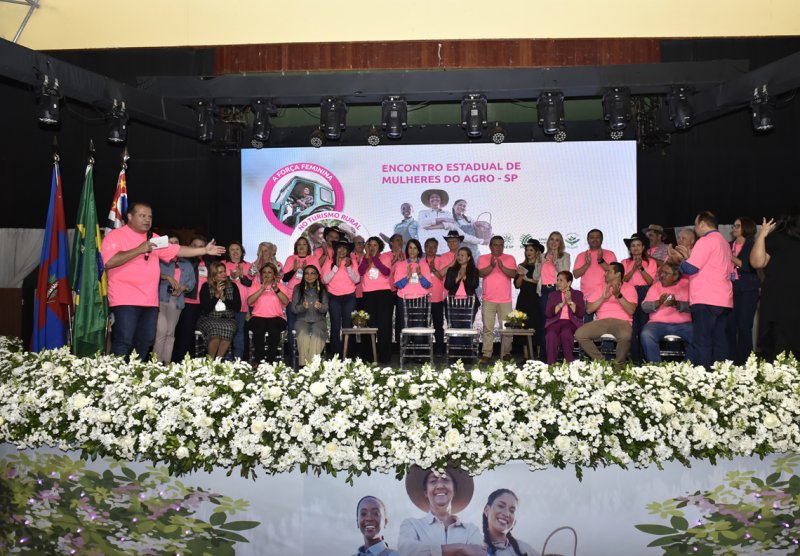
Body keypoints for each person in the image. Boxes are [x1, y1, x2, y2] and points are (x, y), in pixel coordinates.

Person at [101, 201, 225, 359]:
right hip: (125, 301)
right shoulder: (115, 236)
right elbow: (109, 261)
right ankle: (116, 379)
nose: (147, 219)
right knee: (124, 341)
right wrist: (139, 249)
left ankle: (136, 377)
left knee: (145, 341)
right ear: (130, 217)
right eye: (142, 215)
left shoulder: (154, 238)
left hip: (150, 302)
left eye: (150, 217)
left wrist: (204, 250)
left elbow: (178, 250)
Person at [669, 211, 733, 368]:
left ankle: (703, 379)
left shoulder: (705, 241)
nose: (695, 228)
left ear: (703, 224)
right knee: (719, 341)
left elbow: (690, 268)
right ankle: (721, 377)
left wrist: (680, 260)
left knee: (702, 341)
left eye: (696, 224)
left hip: (706, 299)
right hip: (723, 299)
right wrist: (687, 257)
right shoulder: (724, 242)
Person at [398, 465, 483, 556]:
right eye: (433, 481)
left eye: (445, 479)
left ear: (454, 490)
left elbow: (479, 553)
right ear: (426, 492)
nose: (439, 486)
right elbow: (407, 551)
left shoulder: (471, 530)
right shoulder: (412, 525)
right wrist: (460, 547)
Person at [750, 215, 800, 360]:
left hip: (787, 302)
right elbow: (757, 262)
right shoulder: (778, 238)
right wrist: (762, 236)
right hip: (779, 303)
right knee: (779, 347)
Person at [574, 262, 637, 364]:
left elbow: (631, 310)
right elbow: (589, 310)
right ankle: (601, 362)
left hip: (622, 322)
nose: (605, 274)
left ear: (618, 274)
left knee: (626, 336)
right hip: (601, 322)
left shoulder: (629, 288)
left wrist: (618, 295)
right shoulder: (599, 287)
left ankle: (619, 365)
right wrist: (603, 298)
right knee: (580, 334)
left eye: (608, 271)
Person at [153, 232, 196, 364]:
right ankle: (156, 363)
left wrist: (183, 287)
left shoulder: (187, 264)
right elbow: (152, 274)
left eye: (175, 243)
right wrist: (167, 277)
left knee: (170, 333)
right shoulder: (159, 260)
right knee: (161, 331)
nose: (172, 245)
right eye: (169, 243)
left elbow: (192, 283)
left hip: (177, 301)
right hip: (161, 299)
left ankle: (166, 363)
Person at [640, 262, 692, 363]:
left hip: (684, 324)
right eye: (661, 272)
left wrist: (676, 304)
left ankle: (686, 368)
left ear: (676, 276)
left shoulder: (686, 285)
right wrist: (658, 302)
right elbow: (644, 307)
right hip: (657, 324)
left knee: (698, 336)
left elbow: (693, 307)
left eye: (666, 273)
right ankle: (656, 368)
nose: (661, 275)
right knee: (646, 334)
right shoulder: (655, 286)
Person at [478, 236, 517, 363]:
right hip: (488, 299)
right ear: (490, 246)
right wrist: (491, 266)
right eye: (495, 245)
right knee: (488, 328)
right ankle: (487, 353)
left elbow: (513, 274)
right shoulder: (483, 258)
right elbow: (481, 273)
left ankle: (506, 353)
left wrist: (502, 267)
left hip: (505, 300)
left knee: (507, 328)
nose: (498, 247)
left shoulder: (510, 258)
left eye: (501, 245)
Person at [172, 236, 211, 361]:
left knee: (203, 335)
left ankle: (199, 361)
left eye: (201, 246)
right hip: (188, 303)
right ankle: (182, 360)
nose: (198, 249)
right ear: (188, 247)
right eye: (194, 246)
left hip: (205, 305)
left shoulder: (209, 264)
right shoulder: (183, 262)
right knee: (186, 334)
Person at [282, 236, 320, 364]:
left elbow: (317, 278)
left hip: (309, 298)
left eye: (304, 244)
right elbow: (285, 279)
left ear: (308, 247)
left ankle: (309, 356)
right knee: (293, 327)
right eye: (299, 245)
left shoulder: (313, 259)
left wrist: (305, 272)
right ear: (296, 247)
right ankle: (293, 356)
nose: (302, 247)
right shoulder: (290, 259)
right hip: (293, 298)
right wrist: (294, 269)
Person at [358, 236, 395, 364]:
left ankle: (384, 356)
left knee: (384, 325)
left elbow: (386, 271)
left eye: (375, 245)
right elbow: (361, 271)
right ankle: (369, 356)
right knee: (368, 325)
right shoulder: (365, 258)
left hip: (384, 294)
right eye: (370, 245)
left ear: (379, 246)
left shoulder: (385, 257)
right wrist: (367, 258)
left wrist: (374, 257)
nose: (372, 247)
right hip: (368, 294)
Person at [728, 217, 760, 365]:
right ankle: (731, 361)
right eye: (734, 225)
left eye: (737, 225)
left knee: (744, 326)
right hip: (729, 290)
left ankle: (746, 363)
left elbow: (748, 267)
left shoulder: (753, 246)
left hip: (748, 289)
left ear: (746, 228)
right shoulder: (728, 245)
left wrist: (730, 256)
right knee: (730, 325)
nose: (733, 228)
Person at [621, 233, 657, 363]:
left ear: (643, 247)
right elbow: (623, 280)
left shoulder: (651, 262)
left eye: (638, 245)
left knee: (643, 326)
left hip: (645, 293)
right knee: (632, 327)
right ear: (630, 249)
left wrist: (641, 268)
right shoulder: (625, 262)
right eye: (633, 246)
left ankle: (644, 358)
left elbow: (650, 282)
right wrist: (633, 269)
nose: (635, 248)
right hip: (629, 294)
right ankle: (633, 359)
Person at [322, 239, 360, 358]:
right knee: (335, 324)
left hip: (349, 296)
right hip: (333, 297)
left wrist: (348, 267)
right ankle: (336, 353)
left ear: (348, 251)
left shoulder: (353, 261)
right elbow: (324, 280)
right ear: (335, 249)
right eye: (339, 248)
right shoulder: (329, 261)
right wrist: (336, 267)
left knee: (348, 325)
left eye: (345, 248)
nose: (342, 250)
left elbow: (357, 280)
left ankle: (348, 353)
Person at [246, 262, 290, 364]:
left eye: (269, 272)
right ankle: (259, 361)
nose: (266, 274)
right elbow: (249, 302)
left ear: (274, 275)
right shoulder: (255, 286)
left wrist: (276, 289)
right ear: (261, 275)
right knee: (259, 331)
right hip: (258, 317)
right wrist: (262, 289)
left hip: (277, 317)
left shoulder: (281, 286)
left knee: (274, 331)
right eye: (264, 272)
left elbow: (286, 302)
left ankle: (270, 362)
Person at [197, 261, 241, 359]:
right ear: (213, 276)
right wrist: (216, 295)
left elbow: (237, 307)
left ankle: (217, 361)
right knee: (215, 333)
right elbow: (206, 309)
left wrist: (224, 299)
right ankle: (211, 360)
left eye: (224, 271)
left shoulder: (233, 286)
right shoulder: (205, 287)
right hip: (209, 318)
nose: (224, 274)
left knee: (229, 329)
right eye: (220, 272)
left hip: (228, 319)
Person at [538, 232, 571, 360]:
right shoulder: (541, 256)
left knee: (557, 324)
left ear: (561, 243)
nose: (554, 242)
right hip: (544, 292)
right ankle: (544, 358)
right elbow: (536, 276)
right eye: (552, 239)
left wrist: (556, 261)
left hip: (557, 292)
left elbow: (566, 275)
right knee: (544, 325)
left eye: (557, 240)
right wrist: (541, 263)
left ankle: (558, 357)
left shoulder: (565, 256)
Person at [572, 229, 617, 317]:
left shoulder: (610, 254)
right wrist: (586, 264)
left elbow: (614, 273)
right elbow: (576, 275)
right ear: (587, 239)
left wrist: (601, 261)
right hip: (586, 297)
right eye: (592, 237)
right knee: (588, 327)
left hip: (605, 296)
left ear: (602, 239)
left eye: (598, 237)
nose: (595, 239)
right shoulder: (581, 255)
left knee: (604, 327)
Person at [544, 270, 585, 364]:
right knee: (550, 335)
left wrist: (570, 301)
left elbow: (581, 313)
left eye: (561, 280)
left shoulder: (578, 294)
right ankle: (551, 364)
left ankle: (569, 362)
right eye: (557, 280)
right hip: (555, 322)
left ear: (569, 282)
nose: (558, 283)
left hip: (570, 322)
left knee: (566, 333)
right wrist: (562, 304)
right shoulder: (553, 295)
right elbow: (548, 313)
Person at [291, 264, 329, 366]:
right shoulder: (298, 288)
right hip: (302, 321)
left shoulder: (323, 289)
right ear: (303, 276)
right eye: (307, 273)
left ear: (317, 276)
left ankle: (311, 366)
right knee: (303, 335)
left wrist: (320, 306)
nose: (309, 276)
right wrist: (303, 307)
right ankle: (305, 367)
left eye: (312, 273)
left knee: (317, 333)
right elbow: (293, 309)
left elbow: (326, 308)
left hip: (319, 321)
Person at [482, 489, 538, 556]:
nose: (506, 514)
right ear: (487, 510)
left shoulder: (525, 549)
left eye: (512, 511)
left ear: (514, 522)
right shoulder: (476, 548)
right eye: (501, 506)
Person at [514, 239, 543, 359]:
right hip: (523, 300)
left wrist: (529, 279)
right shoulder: (522, 266)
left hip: (537, 300)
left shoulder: (541, 266)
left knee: (538, 326)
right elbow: (517, 285)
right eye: (526, 250)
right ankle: (526, 357)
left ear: (537, 252)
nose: (528, 252)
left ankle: (540, 356)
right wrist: (521, 275)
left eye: (531, 250)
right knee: (523, 327)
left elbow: (543, 282)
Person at [224, 241, 252, 360]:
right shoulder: (223, 264)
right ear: (228, 253)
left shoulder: (249, 266)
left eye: (237, 249)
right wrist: (231, 277)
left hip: (243, 305)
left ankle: (238, 359)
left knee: (239, 332)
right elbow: (218, 281)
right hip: (226, 304)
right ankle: (224, 358)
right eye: (232, 250)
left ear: (242, 252)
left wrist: (241, 276)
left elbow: (250, 283)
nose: (235, 252)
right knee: (225, 331)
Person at [423, 238, 446, 354]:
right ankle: (425, 350)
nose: (431, 249)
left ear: (437, 248)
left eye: (433, 247)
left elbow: (442, 277)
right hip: (423, 299)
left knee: (438, 326)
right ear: (424, 248)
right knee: (424, 326)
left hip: (437, 299)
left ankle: (439, 350)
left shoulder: (441, 260)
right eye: (428, 246)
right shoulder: (420, 261)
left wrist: (434, 269)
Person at [444, 247, 481, 315]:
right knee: (453, 325)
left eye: (462, 255)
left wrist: (464, 277)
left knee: (467, 325)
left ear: (468, 258)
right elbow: (447, 286)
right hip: (453, 303)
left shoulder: (474, 271)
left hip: (469, 303)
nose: (459, 257)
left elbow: (474, 285)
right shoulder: (451, 270)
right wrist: (457, 279)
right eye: (458, 255)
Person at [417, 190, 454, 255]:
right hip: (426, 250)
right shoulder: (423, 213)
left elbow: (451, 225)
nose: (434, 198)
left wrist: (431, 227)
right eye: (432, 197)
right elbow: (423, 223)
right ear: (429, 201)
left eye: (437, 197)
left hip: (444, 249)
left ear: (441, 200)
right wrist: (443, 219)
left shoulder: (447, 213)